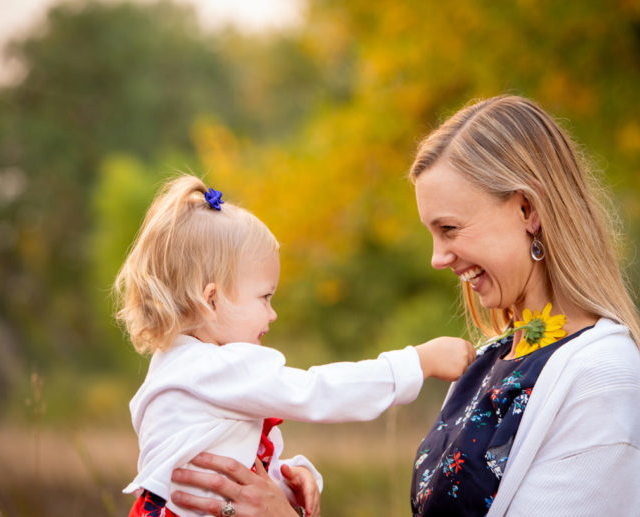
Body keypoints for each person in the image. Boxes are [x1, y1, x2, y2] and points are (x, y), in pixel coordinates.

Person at [167, 96, 640, 517]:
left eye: (450, 229)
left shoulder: (601, 373)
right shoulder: (493, 357)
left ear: (528, 210)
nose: (438, 258)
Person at [114, 175, 475, 517]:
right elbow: (318, 391)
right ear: (211, 300)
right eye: (265, 297)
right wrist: (417, 362)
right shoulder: (218, 367)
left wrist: (287, 475)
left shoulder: (175, 366)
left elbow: (224, 466)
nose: (272, 315)